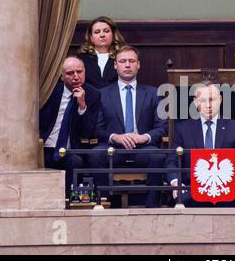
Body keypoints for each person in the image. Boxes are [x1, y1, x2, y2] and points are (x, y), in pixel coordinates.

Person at [89, 45, 167, 208]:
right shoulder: (102, 94)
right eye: (122, 61)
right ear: (115, 65)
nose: (127, 65)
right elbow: (97, 128)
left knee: (158, 156)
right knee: (96, 155)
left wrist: (143, 137)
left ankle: (152, 208)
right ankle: (104, 205)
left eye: (131, 61)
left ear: (138, 65)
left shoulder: (154, 93)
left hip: (142, 147)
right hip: (113, 147)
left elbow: (162, 127)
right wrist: (116, 137)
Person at [165, 81, 235, 207]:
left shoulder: (234, 127)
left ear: (220, 100)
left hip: (227, 189)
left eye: (212, 100)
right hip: (192, 190)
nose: (208, 105)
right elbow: (172, 161)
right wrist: (176, 182)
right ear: (196, 102)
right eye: (203, 100)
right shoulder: (183, 128)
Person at [39, 56, 101, 198]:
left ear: (85, 72)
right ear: (61, 76)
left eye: (79, 72)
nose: (76, 77)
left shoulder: (93, 94)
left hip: (70, 149)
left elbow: (89, 132)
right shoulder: (49, 91)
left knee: (76, 161)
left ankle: (67, 202)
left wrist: (82, 106)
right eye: (70, 73)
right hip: (46, 147)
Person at [78, 16, 127, 89]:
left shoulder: (123, 57)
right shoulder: (80, 59)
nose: (102, 35)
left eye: (106, 31)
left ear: (113, 35)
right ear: (91, 37)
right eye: (97, 32)